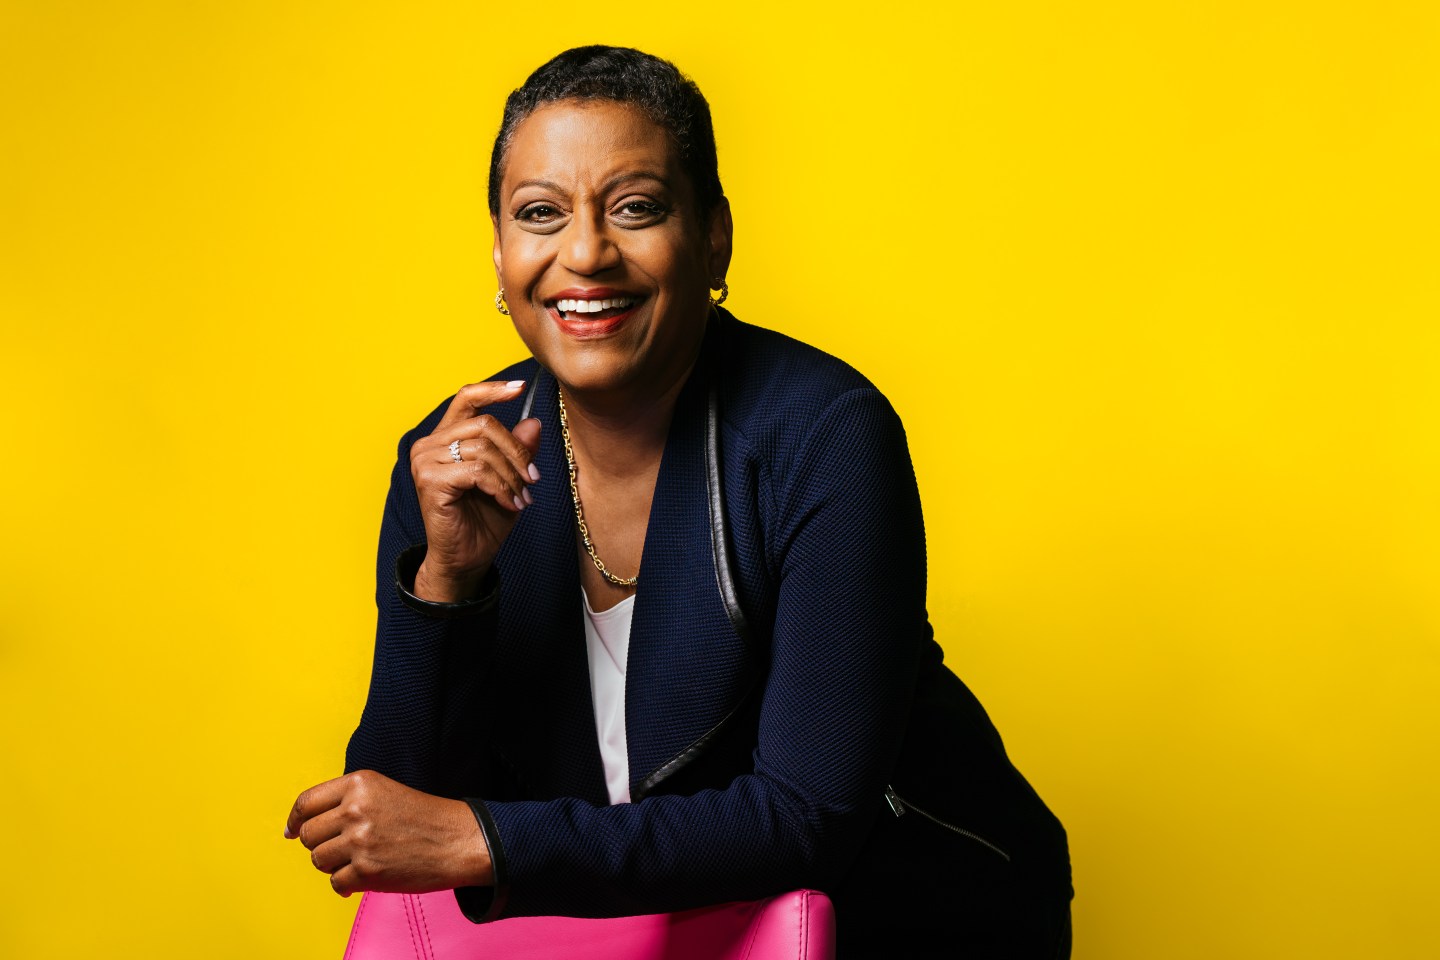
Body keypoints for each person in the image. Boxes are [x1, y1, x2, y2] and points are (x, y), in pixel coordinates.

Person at [285, 45, 1072, 958]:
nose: (584, 252)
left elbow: (807, 814)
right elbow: (397, 828)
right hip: (640, 932)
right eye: (540, 214)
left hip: (892, 919)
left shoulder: (824, 434)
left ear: (714, 237)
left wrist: (487, 842)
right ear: (499, 256)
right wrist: (447, 579)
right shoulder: (457, 456)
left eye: (636, 209)